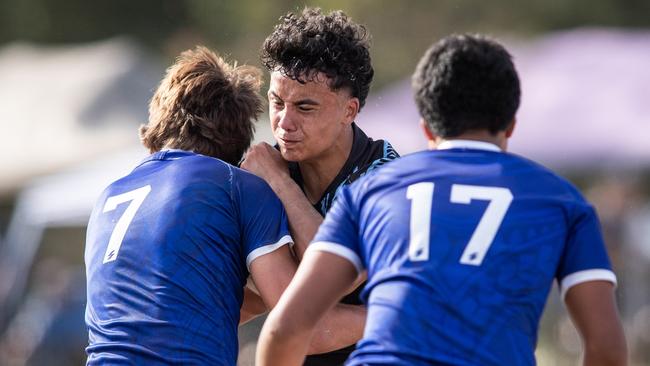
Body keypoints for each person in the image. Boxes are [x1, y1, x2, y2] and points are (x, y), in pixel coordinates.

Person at [256, 34, 628, 366]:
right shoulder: (563, 201)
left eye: (304, 107)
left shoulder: (374, 189)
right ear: (511, 125)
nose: (286, 122)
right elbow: (608, 349)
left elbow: (286, 329)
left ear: (426, 128)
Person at [84, 46, 365, 366]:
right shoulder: (236, 186)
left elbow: (183, 308)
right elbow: (306, 329)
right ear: (236, 141)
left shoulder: (107, 197)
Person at [241, 8, 398, 364]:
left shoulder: (386, 178)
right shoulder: (260, 174)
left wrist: (280, 183)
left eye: (305, 107)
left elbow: (330, 282)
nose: (284, 122)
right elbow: (253, 298)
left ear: (349, 110)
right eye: (276, 102)